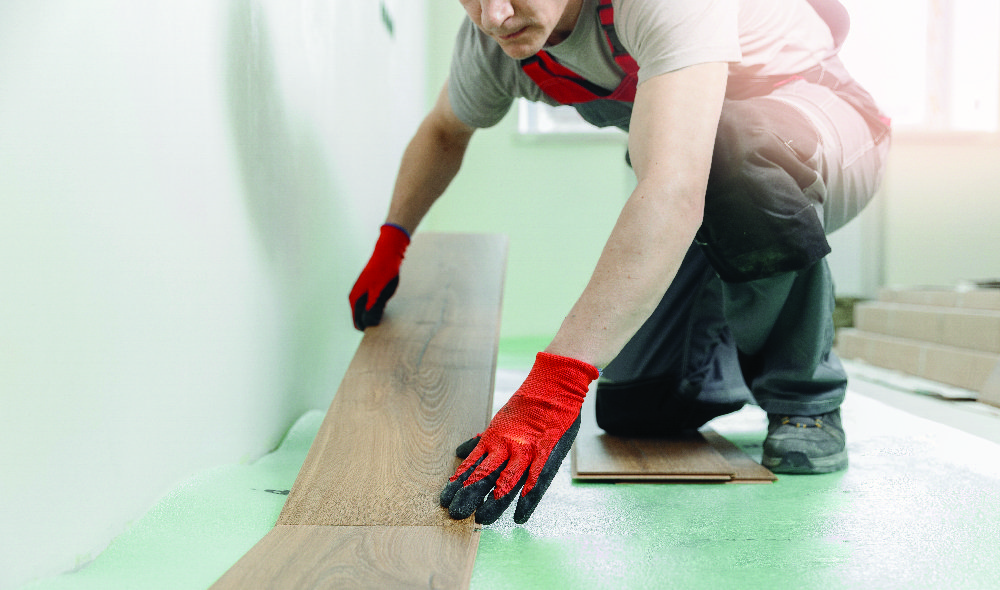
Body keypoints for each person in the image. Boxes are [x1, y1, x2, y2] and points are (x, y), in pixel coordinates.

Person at [349, 0, 890, 526]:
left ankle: (804, 397)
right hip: (712, 193)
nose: (494, 15)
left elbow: (674, 191)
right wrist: (391, 243)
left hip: (819, 130)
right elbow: (445, 132)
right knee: (638, 411)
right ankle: (742, 338)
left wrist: (555, 385)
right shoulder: (494, 44)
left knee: (728, 147)